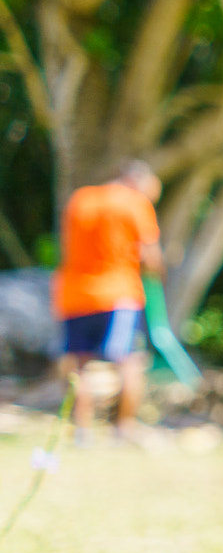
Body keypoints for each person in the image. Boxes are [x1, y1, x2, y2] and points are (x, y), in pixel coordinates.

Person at [53, 159, 165, 443]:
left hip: (74, 293)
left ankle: (82, 431)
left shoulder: (81, 199)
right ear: (136, 183)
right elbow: (151, 257)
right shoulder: (134, 203)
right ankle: (124, 429)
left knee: (80, 365)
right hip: (118, 294)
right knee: (128, 362)